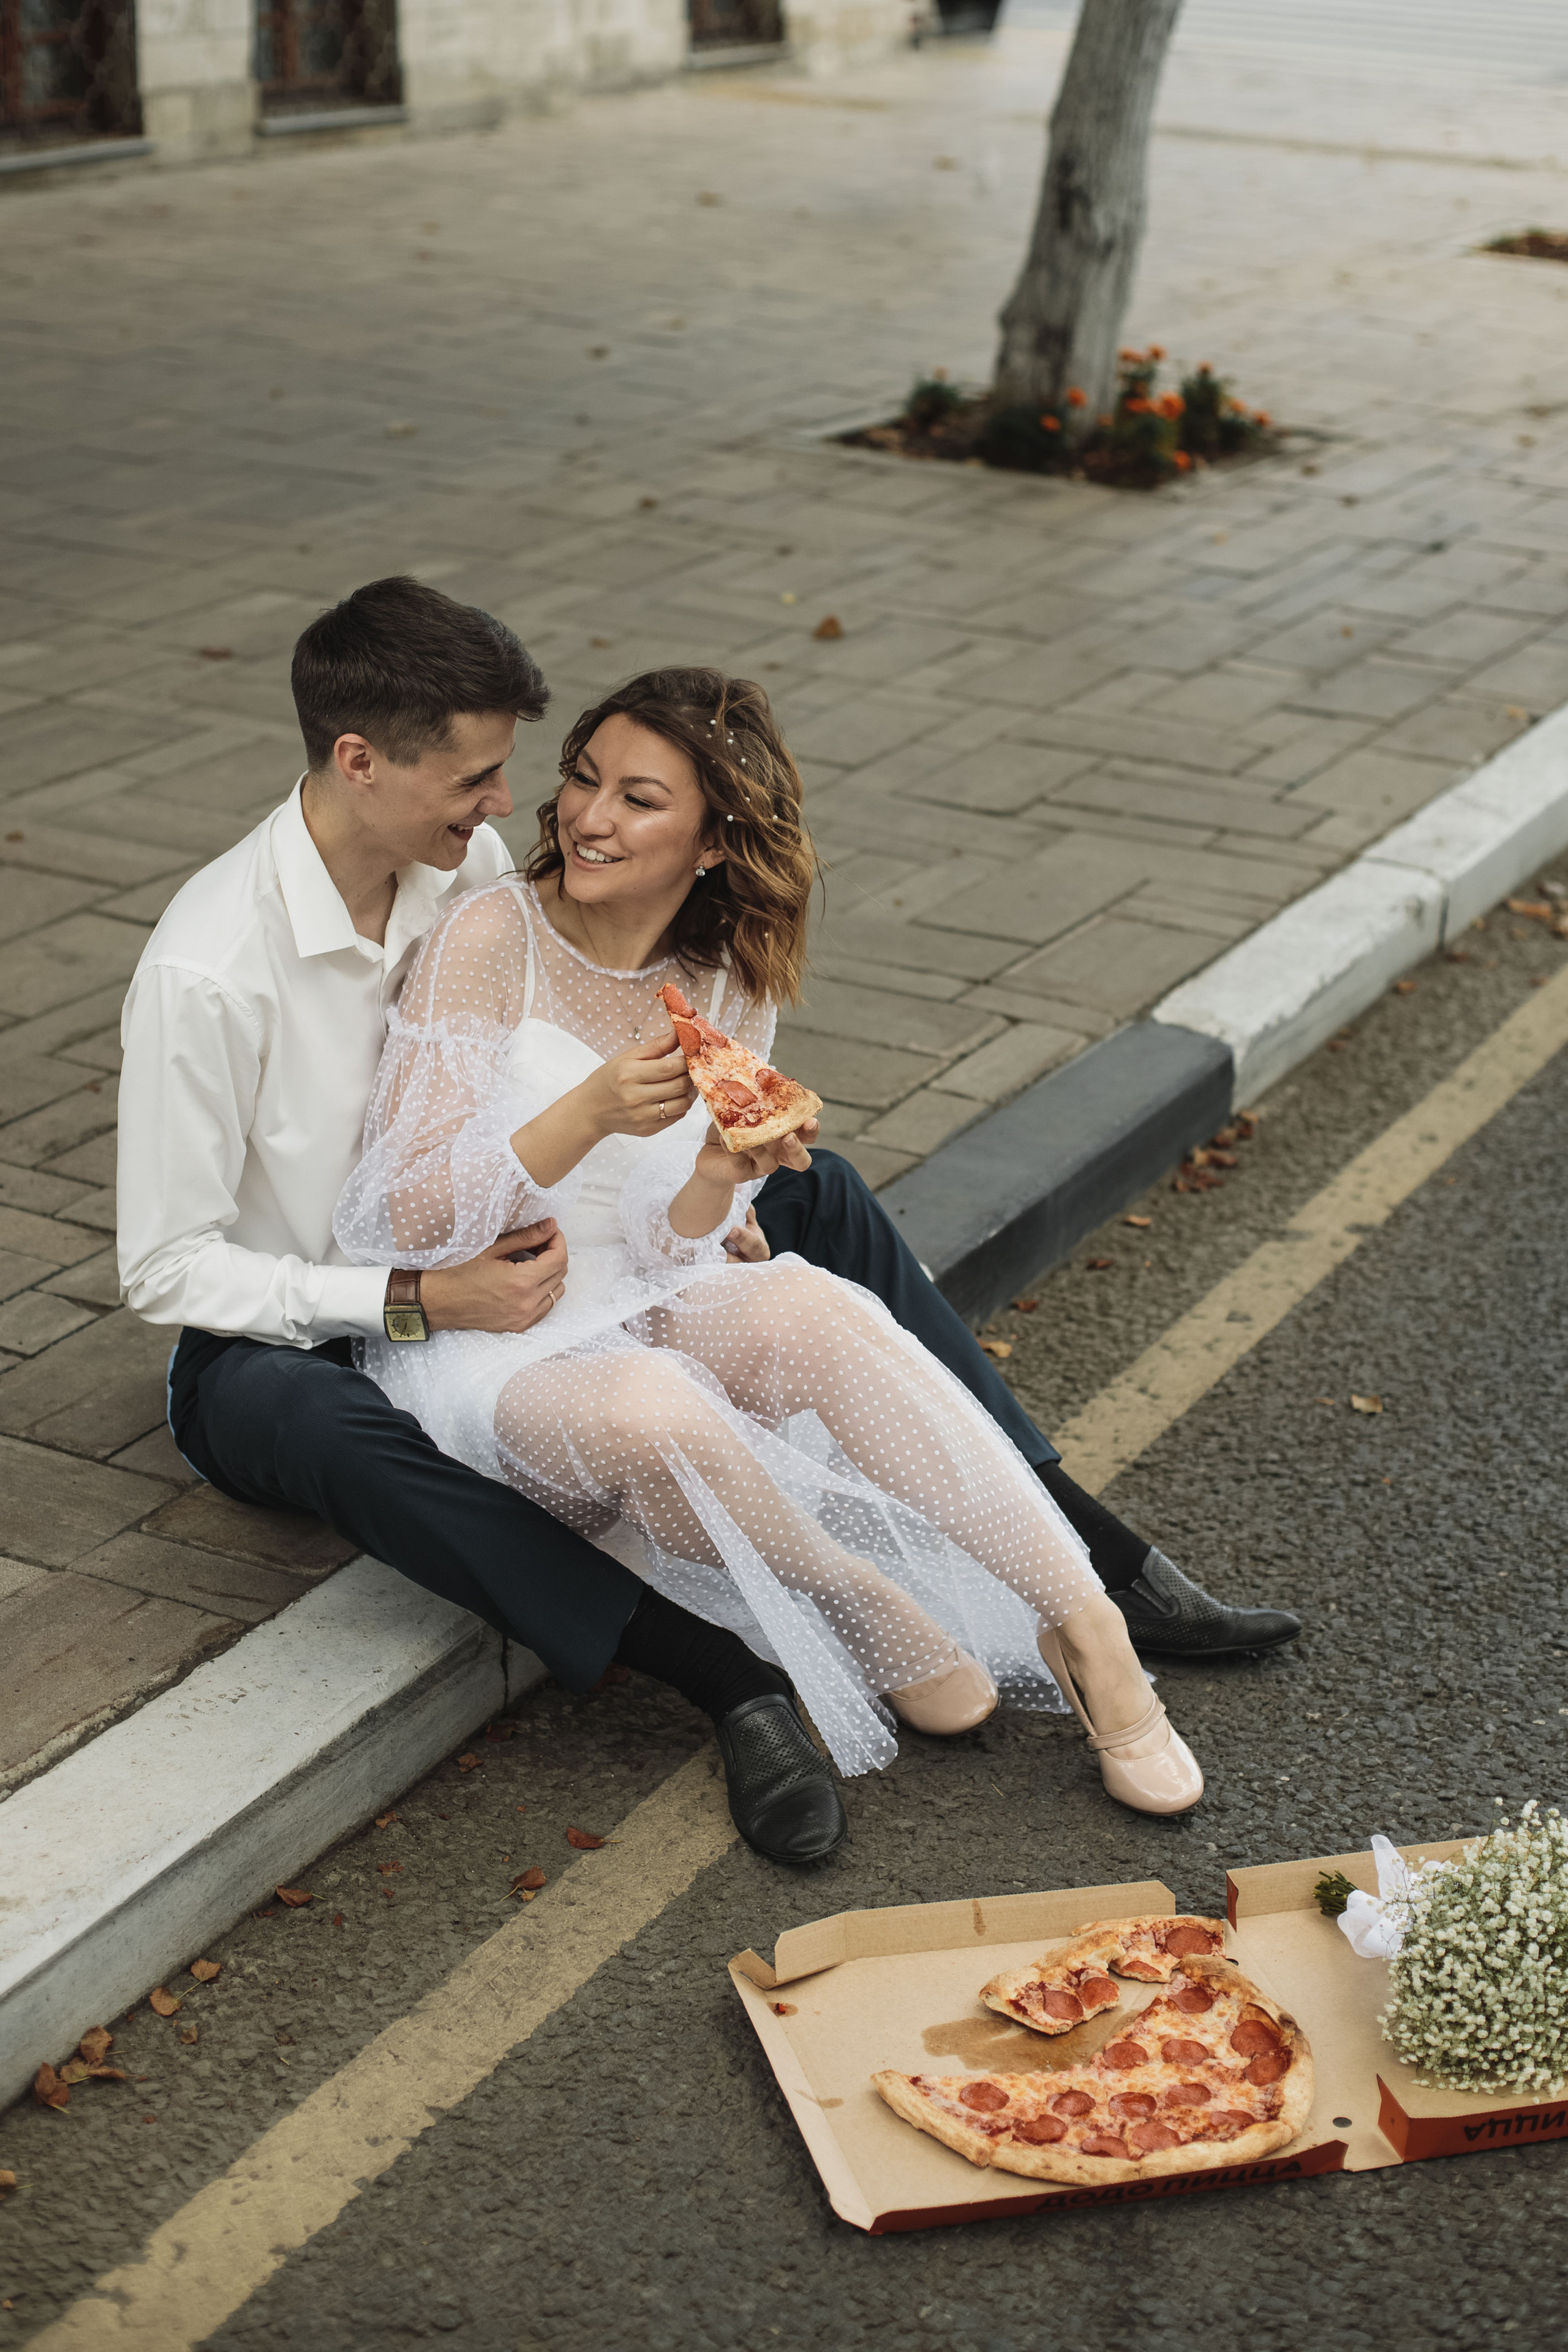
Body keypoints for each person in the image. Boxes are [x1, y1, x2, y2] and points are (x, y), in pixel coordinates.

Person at [115, 579, 1293, 1868]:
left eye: (539, 777)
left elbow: (613, 1121)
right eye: (488, 777)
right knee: (326, 1417)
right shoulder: (214, 970)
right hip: (314, 1320)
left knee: (814, 1207)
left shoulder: (467, 871)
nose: (521, 806)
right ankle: (728, 1672)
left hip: (553, 1250)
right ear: (361, 763)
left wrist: (716, 1188)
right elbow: (176, 1266)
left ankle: (1087, 1574)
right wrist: (418, 1297)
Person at [330, 660, 1207, 1811]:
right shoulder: (490, 940)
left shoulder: (726, 976)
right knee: (659, 1405)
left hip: (633, 1295)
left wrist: (710, 1177)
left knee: (823, 1306)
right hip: (482, 1330)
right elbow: (403, 1218)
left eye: (640, 799)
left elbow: (669, 1247)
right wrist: (582, 1116)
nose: (591, 818)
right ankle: (850, 1588)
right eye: (586, 781)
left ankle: (1091, 1635)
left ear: (712, 842)